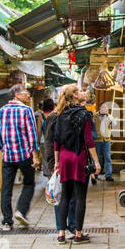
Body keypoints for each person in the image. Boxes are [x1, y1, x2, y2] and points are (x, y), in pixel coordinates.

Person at [53, 84, 100, 245]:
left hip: (65, 158)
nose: (83, 92)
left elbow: (56, 141)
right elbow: (89, 140)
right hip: (79, 157)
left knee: (65, 196)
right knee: (80, 197)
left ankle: (61, 234)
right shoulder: (84, 114)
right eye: (79, 91)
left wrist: (57, 162)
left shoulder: (60, 114)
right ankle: (78, 235)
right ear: (74, 96)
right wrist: (96, 161)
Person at [0, 84, 40, 231]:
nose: (28, 95)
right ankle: (21, 211)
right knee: (29, 183)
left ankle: (7, 222)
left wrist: (3, 148)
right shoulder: (26, 110)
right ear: (17, 95)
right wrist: (35, 155)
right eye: (25, 93)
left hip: (8, 156)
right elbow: (32, 134)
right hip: (24, 155)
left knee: (6, 188)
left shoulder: (2, 111)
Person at [43, 98, 77, 239]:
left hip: (71, 162)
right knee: (60, 195)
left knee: (73, 197)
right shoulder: (54, 117)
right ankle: (61, 228)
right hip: (60, 163)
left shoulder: (74, 115)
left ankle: (72, 226)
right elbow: (50, 142)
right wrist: (52, 165)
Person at [94, 101, 117, 181]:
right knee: (97, 157)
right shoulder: (94, 116)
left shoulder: (109, 117)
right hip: (97, 140)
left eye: (106, 107)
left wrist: (109, 116)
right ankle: (96, 173)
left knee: (107, 157)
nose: (105, 109)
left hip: (106, 140)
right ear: (100, 108)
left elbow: (114, 124)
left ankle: (108, 175)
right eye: (103, 107)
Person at [38, 98, 54, 176]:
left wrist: (37, 142)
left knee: (45, 159)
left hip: (44, 141)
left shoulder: (41, 116)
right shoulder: (56, 114)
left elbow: (39, 130)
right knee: (55, 159)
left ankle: (49, 178)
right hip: (54, 140)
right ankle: (55, 175)